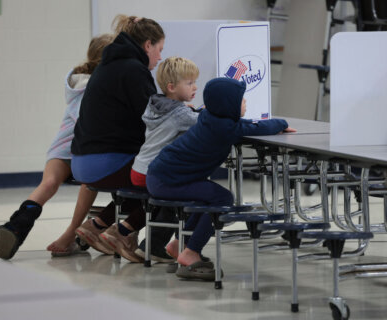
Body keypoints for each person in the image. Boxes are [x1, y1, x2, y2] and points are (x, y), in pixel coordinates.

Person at [146, 77, 296, 280]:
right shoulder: (225, 128)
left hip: (162, 176)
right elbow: (256, 128)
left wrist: (273, 124)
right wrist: (282, 123)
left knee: (208, 198)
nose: (245, 103)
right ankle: (190, 253)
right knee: (222, 199)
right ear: (228, 105)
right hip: (167, 181)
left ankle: (179, 245)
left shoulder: (211, 117)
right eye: (241, 100)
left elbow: (247, 124)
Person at [0, 34, 115, 260]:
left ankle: (16, 225)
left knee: (47, 184)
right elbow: (89, 122)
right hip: (83, 148)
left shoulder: (77, 81)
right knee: (89, 182)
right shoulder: (98, 86)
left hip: (60, 146)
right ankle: (69, 236)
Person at [72, 14, 174, 263]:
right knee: (172, 177)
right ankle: (123, 232)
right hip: (107, 162)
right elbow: (154, 119)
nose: (160, 57)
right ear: (148, 45)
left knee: (145, 171)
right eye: (159, 49)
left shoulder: (110, 64)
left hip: (82, 161)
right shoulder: (133, 70)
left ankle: (97, 226)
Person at [100, 56, 200, 259]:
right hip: (154, 173)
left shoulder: (154, 105)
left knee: (167, 197)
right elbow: (205, 124)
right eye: (189, 83)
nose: (195, 87)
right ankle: (163, 247)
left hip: (139, 169)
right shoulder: (181, 114)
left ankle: (127, 231)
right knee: (186, 198)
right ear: (171, 87)